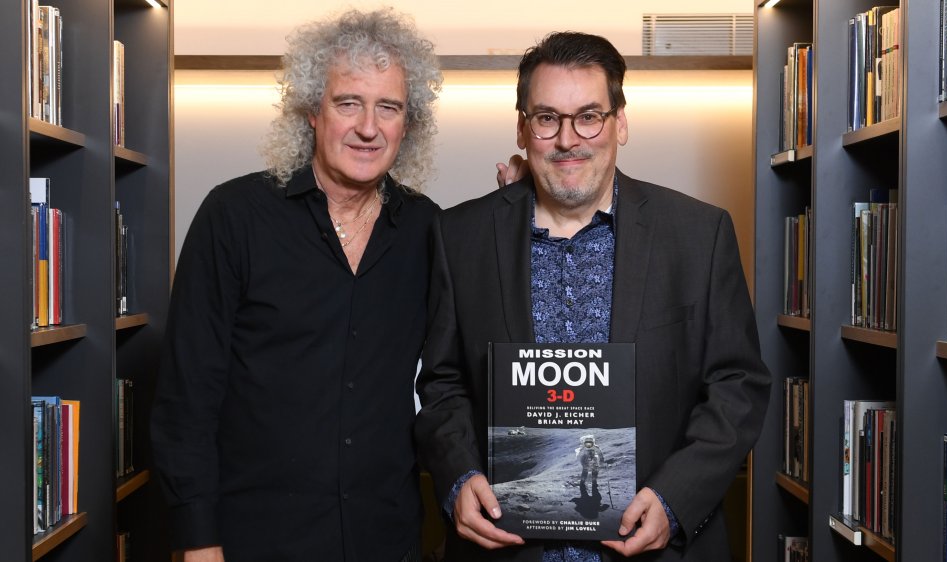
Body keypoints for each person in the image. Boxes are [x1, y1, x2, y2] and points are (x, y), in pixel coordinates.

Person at [414, 31, 771, 561]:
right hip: (506, 546)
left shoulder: (698, 235)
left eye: (588, 116)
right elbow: (442, 380)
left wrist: (674, 499)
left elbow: (738, 386)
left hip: (650, 549)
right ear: (522, 128)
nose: (568, 139)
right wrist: (458, 475)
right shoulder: (459, 236)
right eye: (546, 118)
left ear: (619, 123)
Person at [150, 9, 442, 562]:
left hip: (387, 538)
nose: (368, 127)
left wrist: (519, 206)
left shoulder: (428, 229)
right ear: (312, 110)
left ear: (409, 122)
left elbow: (461, 370)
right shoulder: (234, 216)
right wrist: (198, 541)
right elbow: (187, 397)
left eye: (389, 107)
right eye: (348, 102)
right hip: (254, 541)